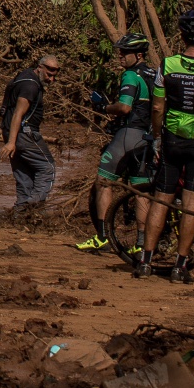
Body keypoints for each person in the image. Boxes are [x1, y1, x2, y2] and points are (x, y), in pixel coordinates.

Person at [137, 12, 194, 284]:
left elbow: (157, 106)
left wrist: (157, 136)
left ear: (182, 37)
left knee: (161, 199)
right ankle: (179, 267)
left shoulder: (168, 65)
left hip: (171, 141)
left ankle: (145, 263)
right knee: (191, 202)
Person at [79, 30, 159, 256]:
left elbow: (124, 107)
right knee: (141, 190)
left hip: (128, 136)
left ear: (140, 54)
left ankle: (103, 237)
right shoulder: (154, 74)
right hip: (147, 138)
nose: (120, 56)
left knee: (104, 182)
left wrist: (104, 108)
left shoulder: (131, 76)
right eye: (120, 52)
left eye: (126, 52)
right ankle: (142, 243)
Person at [0, 55, 60, 209]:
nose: (51, 80)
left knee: (23, 173)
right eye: (49, 74)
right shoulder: (30, 86)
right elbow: (18, 114)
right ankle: (32, 205)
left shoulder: (24, 76)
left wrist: (8, 138)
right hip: (23, 134)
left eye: (54, 76)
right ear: (40, 67)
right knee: (47, 167)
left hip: (10, 131)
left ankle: (21, 212)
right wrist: (11, 142)